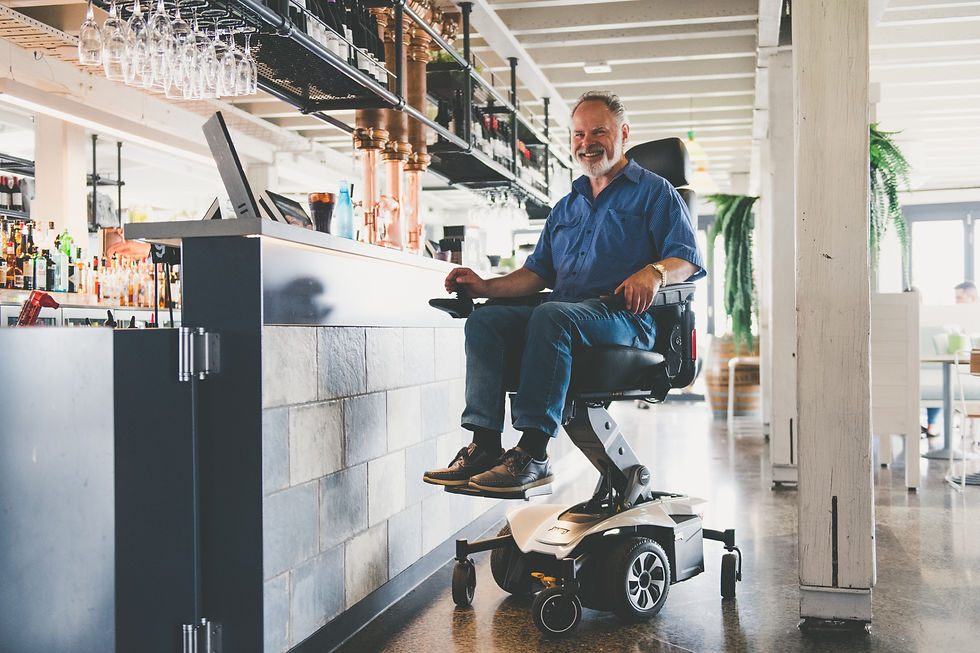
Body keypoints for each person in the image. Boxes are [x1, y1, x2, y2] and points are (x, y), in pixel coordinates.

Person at [423, 91, 705, 495]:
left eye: (598, 132)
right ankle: (484, 445)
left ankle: (533, 455)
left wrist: (655, 272)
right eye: (578, 134)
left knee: (552, 315)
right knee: (486, 319)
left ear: (623, 133)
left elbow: (687, 260)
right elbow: (537, 274)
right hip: (566, 318)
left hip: (624, 319)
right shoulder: (567, 206)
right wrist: (484, 286)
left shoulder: (656, 192)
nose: (586, 142)